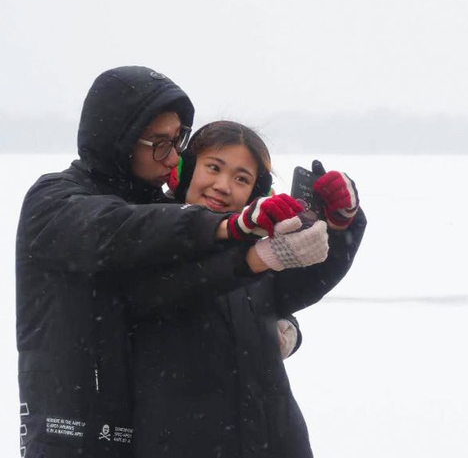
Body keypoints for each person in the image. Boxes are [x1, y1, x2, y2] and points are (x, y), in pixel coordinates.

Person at [16, 67, 329, 458]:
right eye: (160, 143)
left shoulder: (160, 210)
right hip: (73, 432)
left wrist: (275, 321)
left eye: (178, 140)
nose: (173, 157)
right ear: (120, 137)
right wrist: (231, 227)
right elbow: (119, 232)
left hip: (139, 431)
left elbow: (204, 282)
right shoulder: (55, 200)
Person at [128, 120, 367, 457]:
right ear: (184, 171)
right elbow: (168, 289)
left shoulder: (259, 250)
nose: (223, 186)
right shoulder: (149, 232)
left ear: (256, 194)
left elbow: (307, 279)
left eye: (242, 179)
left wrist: (340, 224)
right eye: (213, 167)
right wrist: (250, 256)